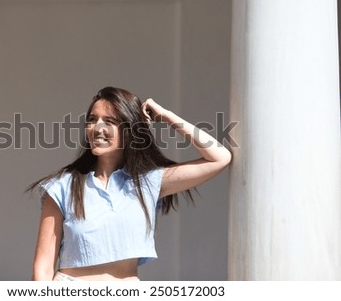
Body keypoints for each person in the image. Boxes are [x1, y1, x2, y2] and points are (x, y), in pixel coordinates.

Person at [27, 86, 231, 281]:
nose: (97, 128)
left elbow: (219, 158)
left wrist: (167, 116)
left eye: (109, 121)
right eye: (92, 120)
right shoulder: (63, 186)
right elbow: (42, 269)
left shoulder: (146, 183)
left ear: (129, 130)